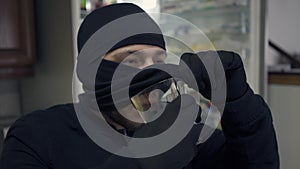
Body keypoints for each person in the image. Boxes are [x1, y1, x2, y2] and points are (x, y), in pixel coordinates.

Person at [0, 3, 279, 169]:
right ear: (91, 71)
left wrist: (240, 103)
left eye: (158, 60)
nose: (150, 74)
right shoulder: (36, 135)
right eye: (130, 61)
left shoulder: (180, 131)